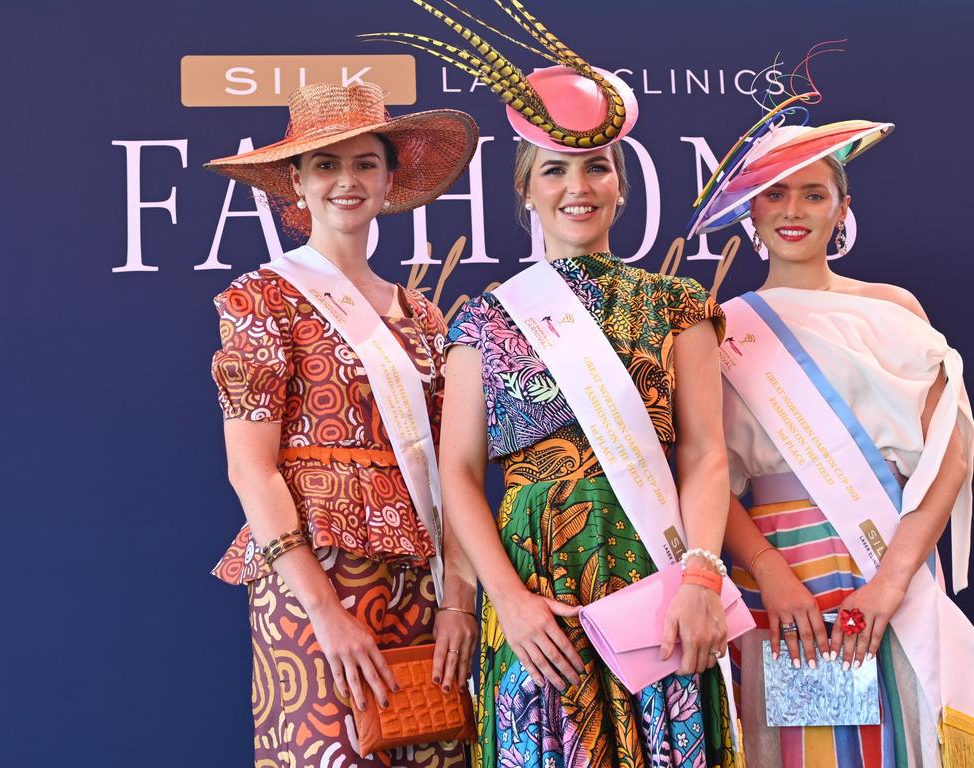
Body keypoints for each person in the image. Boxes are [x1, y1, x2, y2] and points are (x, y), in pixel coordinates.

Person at [371, 6, 738, 758]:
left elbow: (704, 455)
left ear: (622, 186)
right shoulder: (485, 320)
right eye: (556, 170)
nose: (579, 186)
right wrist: (508, 602)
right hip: (535, 597)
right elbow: (460, 472)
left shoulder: (677, 307)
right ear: (527, 192)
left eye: (597, 166)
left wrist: (701, 577)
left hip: (655, 585)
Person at [204, 81, 480, 767]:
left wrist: (459, 600)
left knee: (432, 749)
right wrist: (324, 612)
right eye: (325, 165)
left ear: (390, 179)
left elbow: (457, 470)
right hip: (314, 581)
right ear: (296, 182)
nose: (346, 181)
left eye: (364, 162)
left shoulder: (423, 316)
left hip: (423, 584)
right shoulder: (260, 298)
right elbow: (251, 466)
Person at [691, 108, 974, 765]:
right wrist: (767, 571)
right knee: (807, 748)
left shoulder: (892, 309)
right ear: (751, 213)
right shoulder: (721, 329)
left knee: (903, 739)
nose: (795, 209)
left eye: (814, 193)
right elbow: (703, 473)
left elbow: (949, 457)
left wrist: (890, 582)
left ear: (842, 208)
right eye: (776, 193)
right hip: (780, 572)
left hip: (889, 562)